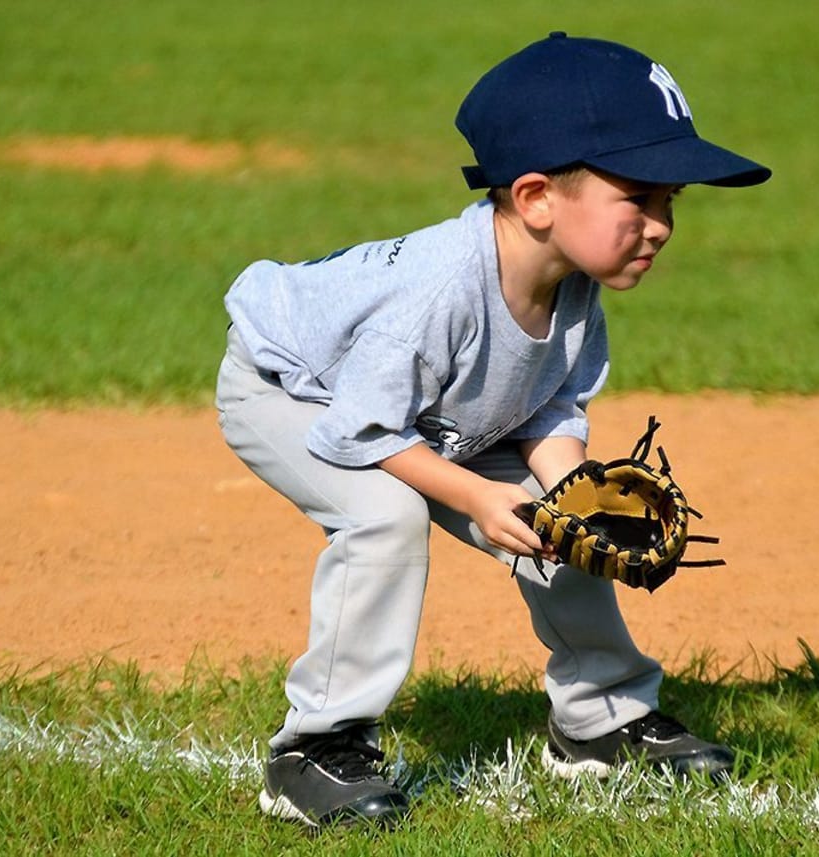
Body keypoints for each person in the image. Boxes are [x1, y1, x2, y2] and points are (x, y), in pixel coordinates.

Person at [214, 31, 770, 829]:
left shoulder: (573, 287)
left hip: (416, 410)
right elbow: (360, 430)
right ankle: (315, 746)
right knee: (384, 517)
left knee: (566, 520)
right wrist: (476, 495)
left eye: (670, 203)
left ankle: (600, 718)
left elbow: (548, 405)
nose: (661, 226)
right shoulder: (437, 292)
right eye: (638, 199)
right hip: (295, 388)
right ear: (537, 197)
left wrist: (574, 486)